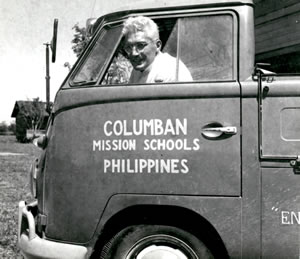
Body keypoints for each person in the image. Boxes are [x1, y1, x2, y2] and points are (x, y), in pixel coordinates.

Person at [122, 16, 193, 84]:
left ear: (157, 45)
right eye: (129, 47)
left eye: (140, 45)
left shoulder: (171, 70)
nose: (134, 53)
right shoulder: (137, 71)